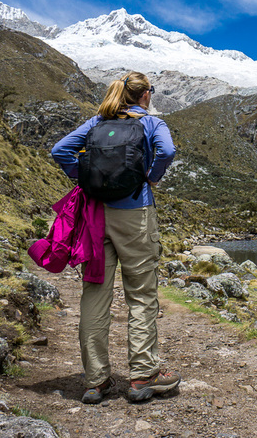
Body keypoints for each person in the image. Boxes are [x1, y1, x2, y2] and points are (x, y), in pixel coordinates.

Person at [50, 71, 181, 404]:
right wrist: (150, 178)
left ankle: (96, 381)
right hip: (136, 215)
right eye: (150, 90)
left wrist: (88, 178)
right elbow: (166, 151)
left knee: (95, 294)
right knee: (140, 295)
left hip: (96, 216)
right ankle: (143, 376)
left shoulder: (96, 122)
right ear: (145, 95)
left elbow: (60, 150)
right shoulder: (152, 124)